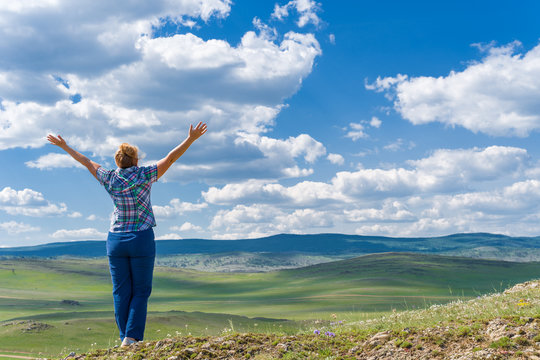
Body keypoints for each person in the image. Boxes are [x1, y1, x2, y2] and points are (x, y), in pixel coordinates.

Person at [47, 122, 207, 347]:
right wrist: (190, 139)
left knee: (121, 291)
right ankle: (131, 338)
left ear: (117, 161)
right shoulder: (145, 174)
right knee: (141, 290)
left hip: (115, 240)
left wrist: (64, 146)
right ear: (136, 160)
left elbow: (85, 161)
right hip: (140, 238)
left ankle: (125, 338)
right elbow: (170, 158)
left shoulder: (109, 177)